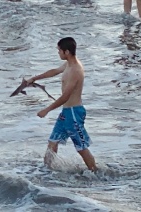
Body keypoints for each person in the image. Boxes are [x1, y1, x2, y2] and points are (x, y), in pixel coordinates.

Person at [26, 37, 97, 172]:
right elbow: (54, 71)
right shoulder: (68, 65)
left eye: (59, 50)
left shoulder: (76, 70)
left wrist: (46, 110)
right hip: (66, 113)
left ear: (67, 52)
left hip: (74, 113)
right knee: (52, 142)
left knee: (81, 147)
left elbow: (65, 97)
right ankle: (47, 172)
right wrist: (34, 78)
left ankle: (96, 174)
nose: (58, 53)